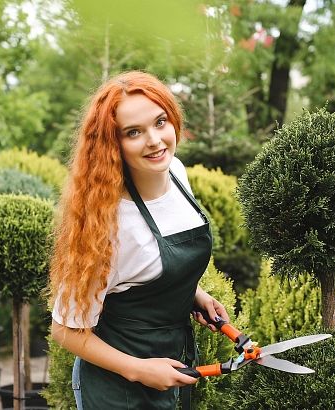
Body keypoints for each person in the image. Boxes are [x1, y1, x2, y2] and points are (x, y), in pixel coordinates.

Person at [49, 71, 230, 410]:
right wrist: (138, 370)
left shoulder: (175, 172)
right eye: (134, 132)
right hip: (118, 390)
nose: (154, 140)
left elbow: (146, 272)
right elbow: (65, 330)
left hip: (170, 367)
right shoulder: (107, 225)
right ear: (112, 145)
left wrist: (195, 295)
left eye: (160, 122)